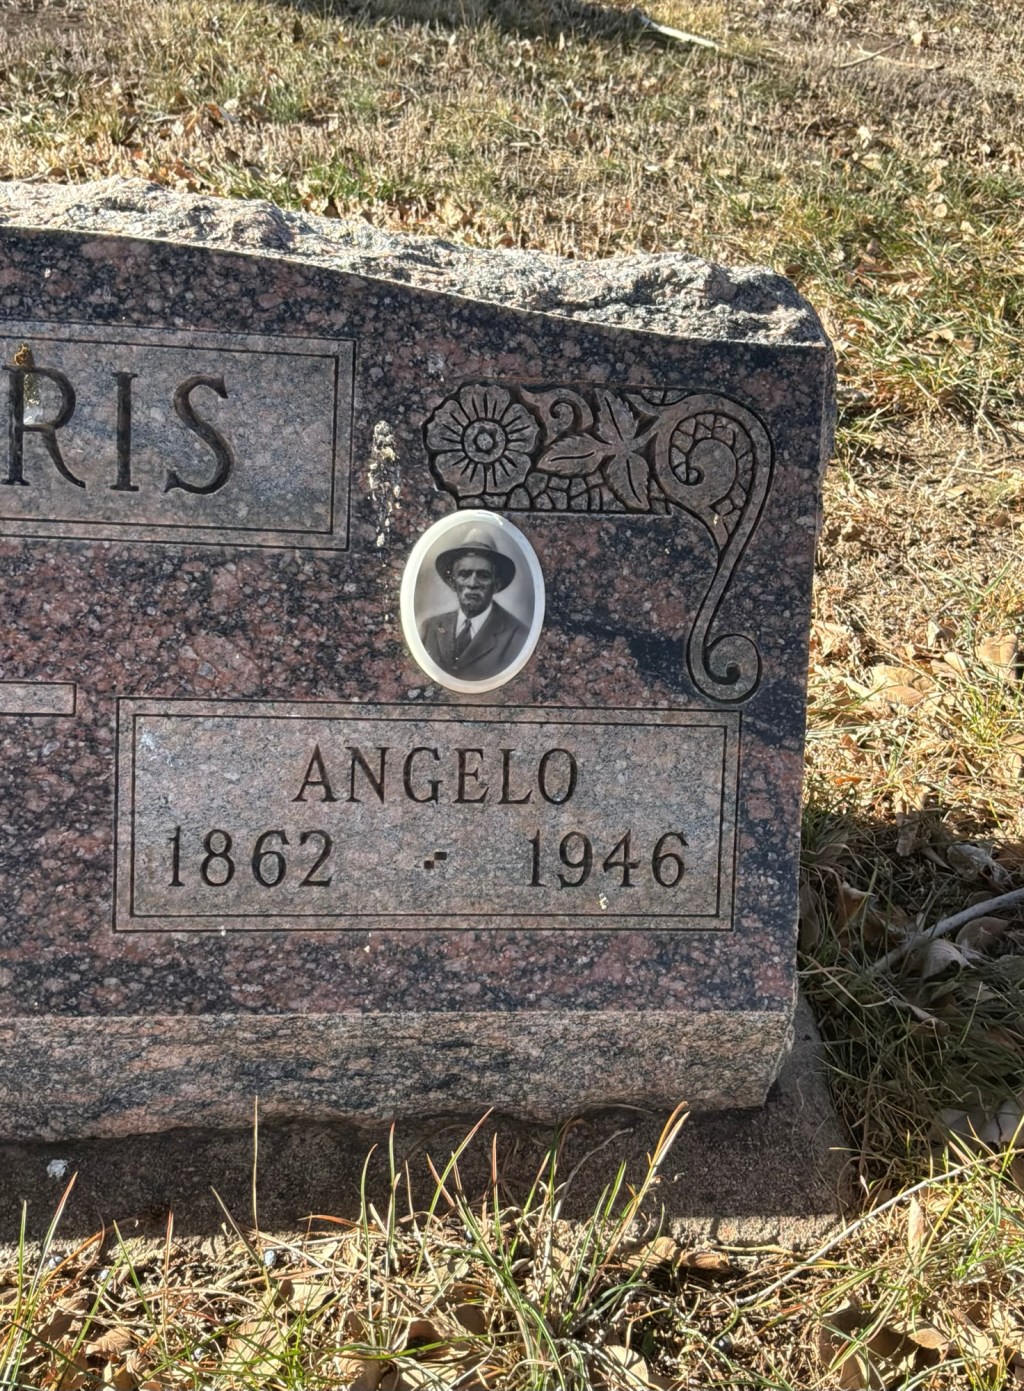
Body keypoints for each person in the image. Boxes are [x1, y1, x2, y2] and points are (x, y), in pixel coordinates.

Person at [420, 526, 528, 681]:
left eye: (483, 575)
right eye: (464, 574)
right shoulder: (430, 627)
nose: (472, 584)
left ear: (497, 584)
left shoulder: (517, 636)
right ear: (452, 582)